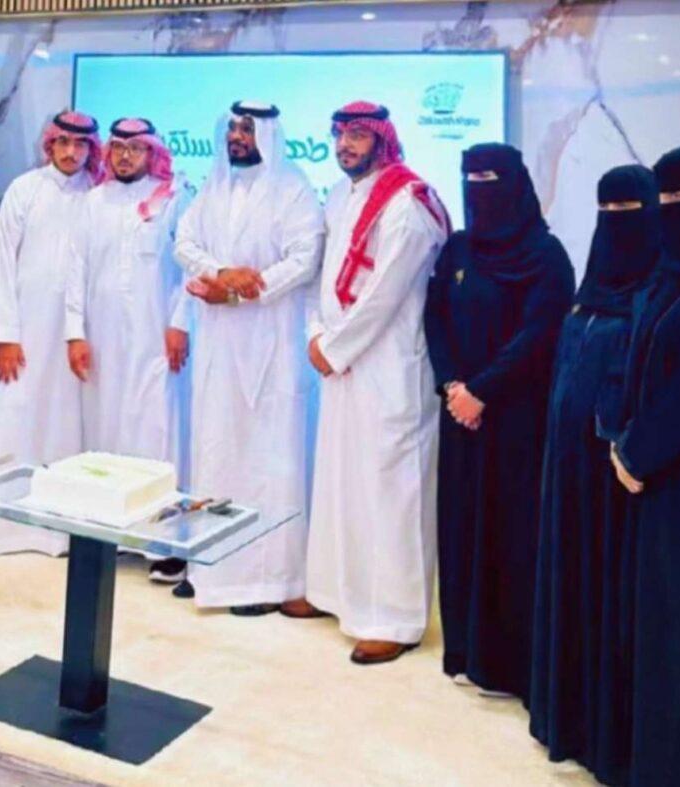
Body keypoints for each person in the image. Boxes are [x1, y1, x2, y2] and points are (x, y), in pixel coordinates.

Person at [281, 101, 451, 665]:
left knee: (391, 492)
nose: (344, 146)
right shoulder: (339, 195)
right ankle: (333, 593)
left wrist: (333, 348)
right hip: (341, 365)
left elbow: (386, 295)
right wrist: (315, 333)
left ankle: (396, 618)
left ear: (382, 138)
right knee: (339, 482)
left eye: (356, 135)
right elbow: (320, 277)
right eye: (339, 135)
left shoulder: (409, 202)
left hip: (389, 369)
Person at [423, 143, 575, 698]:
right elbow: (435, 316)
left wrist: (482, 391)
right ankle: (464, 650)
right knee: (462, 529)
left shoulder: (546, 256)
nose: (478, 189)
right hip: (460, 416)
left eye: (489, 177)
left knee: (510, 535)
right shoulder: (459, 248)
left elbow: (540, 333)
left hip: (515, 421)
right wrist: (451, 386)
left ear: (515, 183)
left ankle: (508, 664)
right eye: (470, 178)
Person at [527, 165, 660, 770]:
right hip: (566, 471)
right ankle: (566, 719)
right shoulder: (592, 286)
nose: (615, 223)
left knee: (608, 599)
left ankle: (606, 737)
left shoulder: (658, 296)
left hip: (616, 480)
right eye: (606, 210)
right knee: (569, 584)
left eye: (628, 210)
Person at [172, 100, 324, 614]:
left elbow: (305, 260)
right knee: (216, 449)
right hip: (218, 344)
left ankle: (264, 580)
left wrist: (239, 291)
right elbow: (184, 242)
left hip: (271, 347)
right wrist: (220, 272)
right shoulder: (215, 185)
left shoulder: (294, 188)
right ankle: (211, 569)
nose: (237, 137)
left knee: (266, 459)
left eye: (248, 129)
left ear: (268, 135)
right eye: (234, 128)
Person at [0, 110, 103, 558]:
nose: (71, 152)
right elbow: (3, 266)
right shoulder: (24, 190)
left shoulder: (98, 195)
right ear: (50, 145)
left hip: (74, 337)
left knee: (65, 427)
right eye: (64, 143)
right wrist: (5, 336)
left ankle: (56, 533)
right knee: (14, 420)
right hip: (23, 333)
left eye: (80, 145)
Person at [64, 117, 192, 583]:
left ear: (151, 153)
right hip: (102, 340)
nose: (124, 156)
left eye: (135, 149)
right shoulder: (92, 202)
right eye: (118, 148)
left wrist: (179, 323)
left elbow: (188, 270)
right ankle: (113, 535)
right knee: (106, 431)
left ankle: (162, 544)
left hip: (155, 337)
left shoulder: (173, 198)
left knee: (157, 432)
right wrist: (75, 333)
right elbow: (75, 271)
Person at [609, 145, 680, 787]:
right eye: (660, 200)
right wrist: (622, 440)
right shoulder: (668, 279)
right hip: (659, 483)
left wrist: (637, 451)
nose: (668, 213)